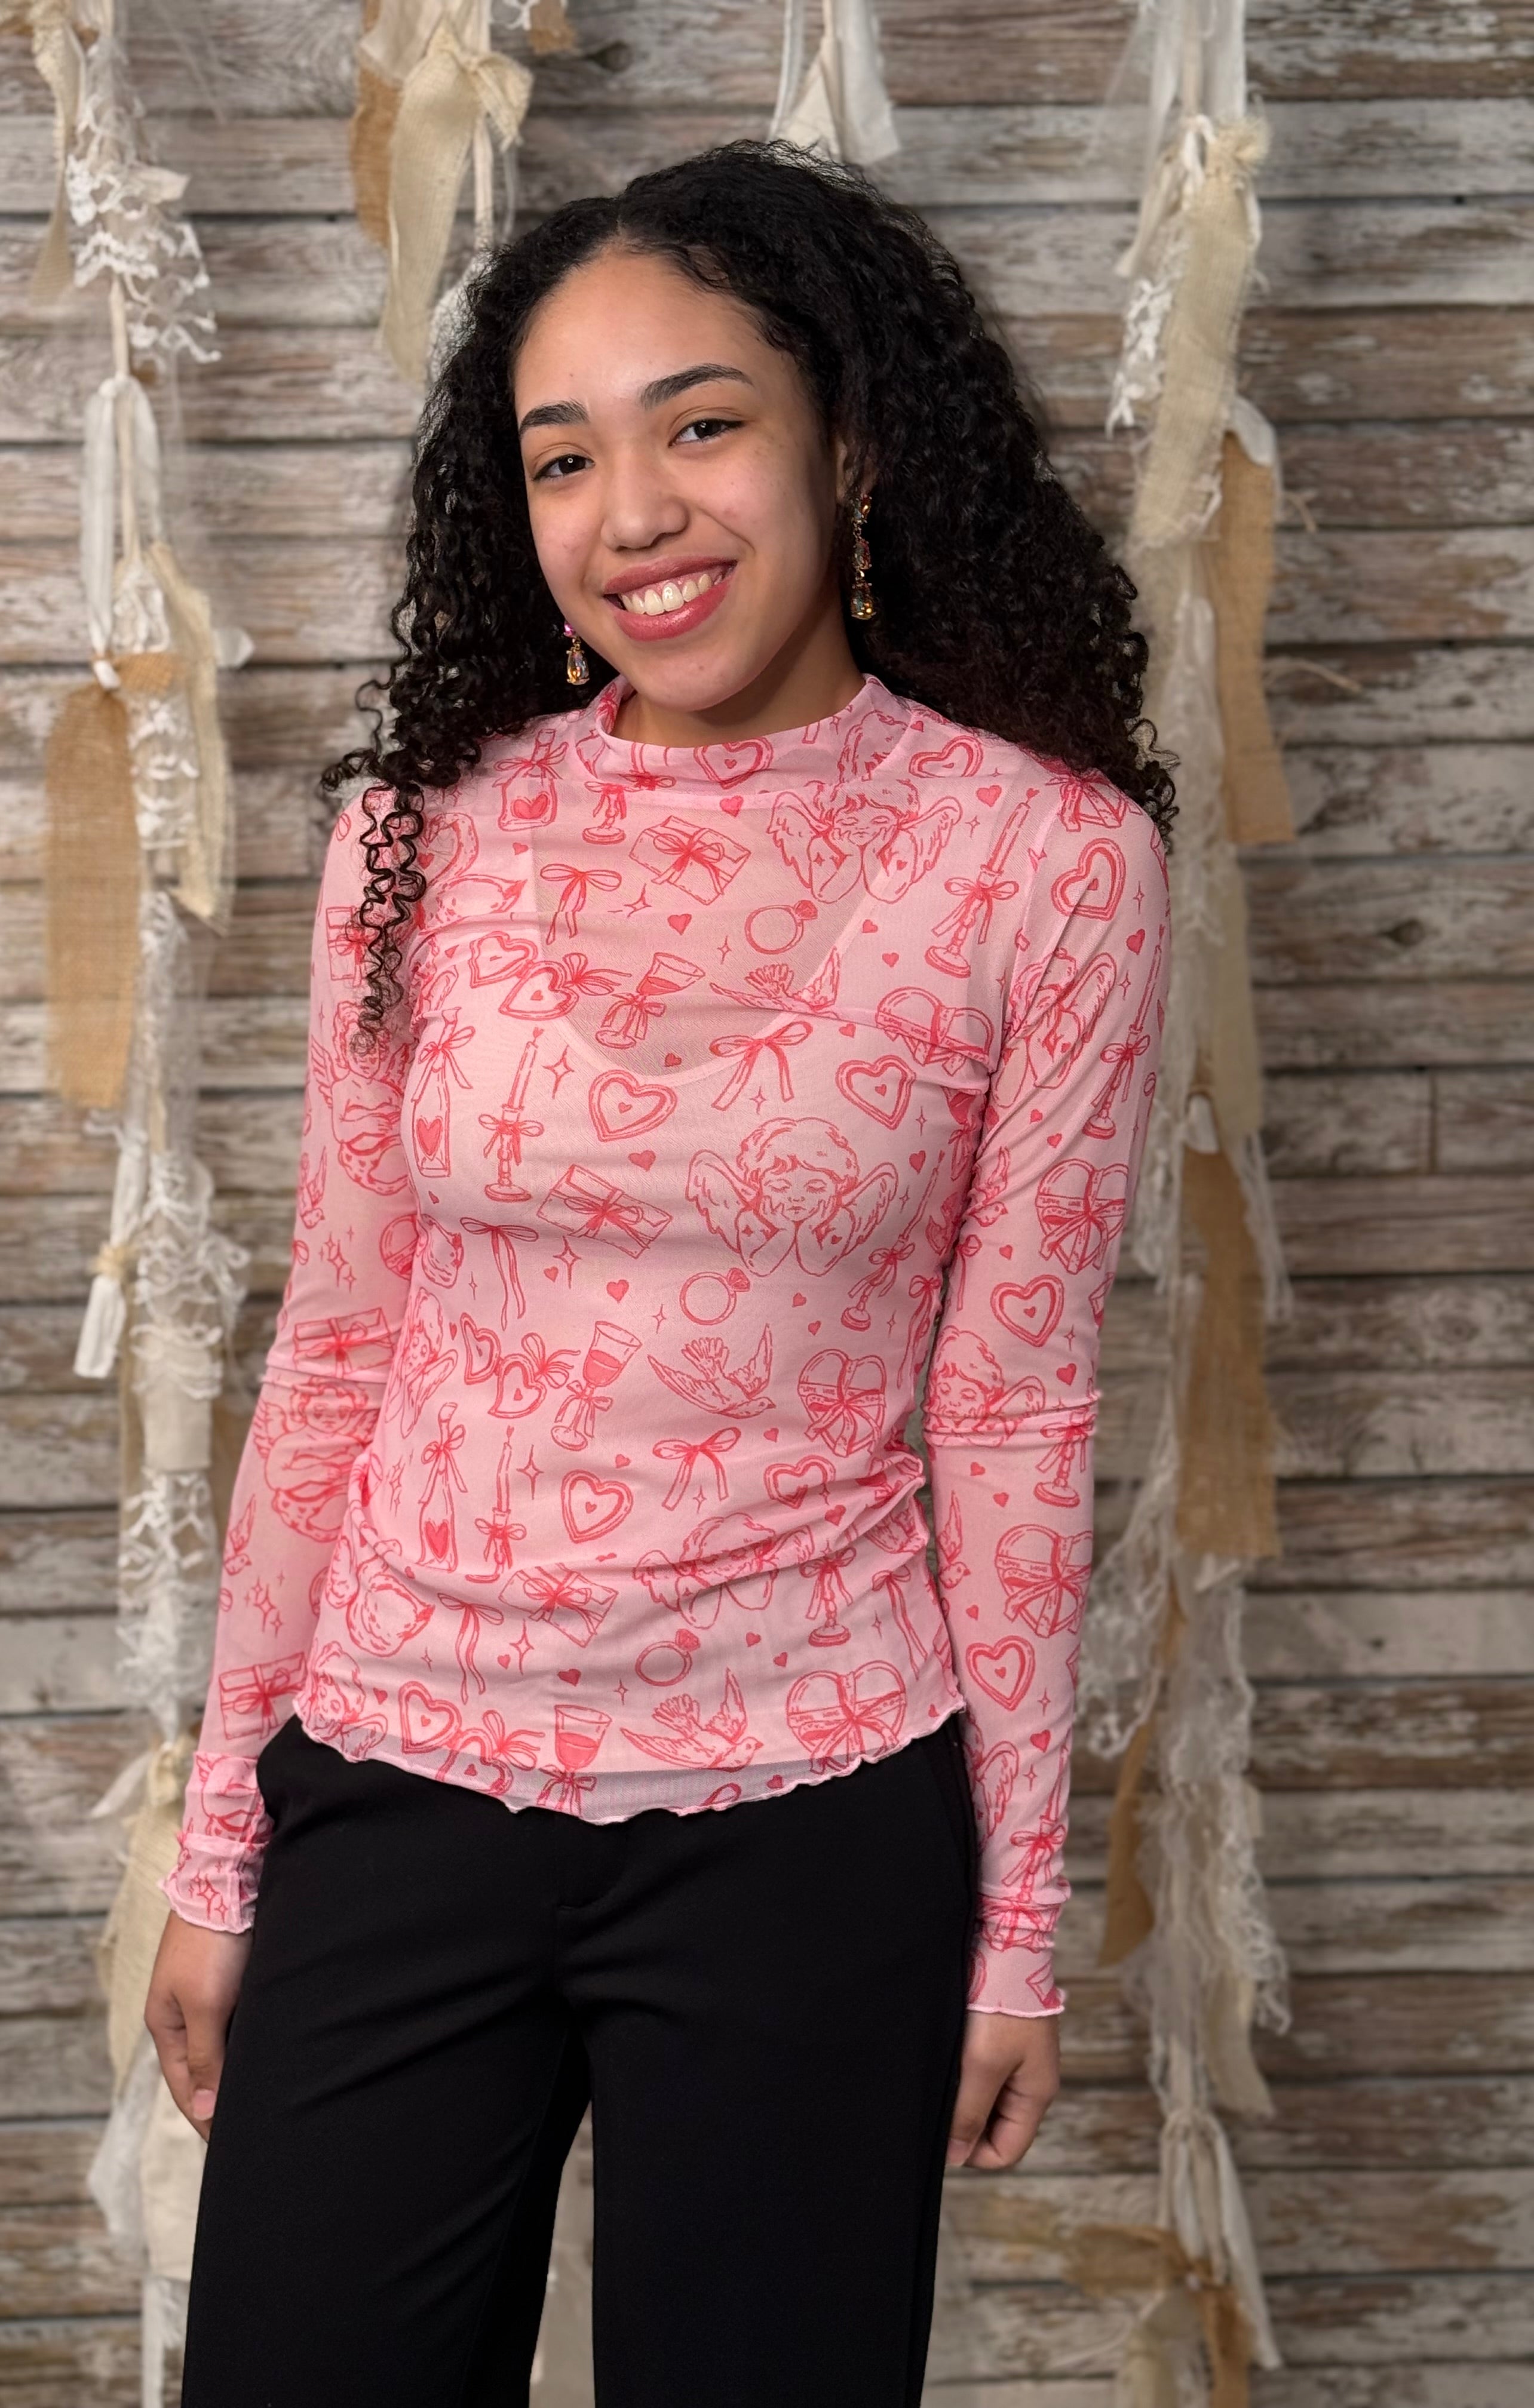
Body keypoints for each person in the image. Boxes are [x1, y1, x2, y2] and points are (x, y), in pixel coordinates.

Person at [146, 139, 1173, 2407]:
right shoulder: (418, 837)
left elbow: (1015, 1407)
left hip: (812, 1816)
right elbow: (336, 1347)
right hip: (396, 1780)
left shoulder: (1050, 862)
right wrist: (224, 1849)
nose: (634, 514)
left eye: (702, 424)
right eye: (564, 457)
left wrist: (1019, 1921)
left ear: (853, 445)